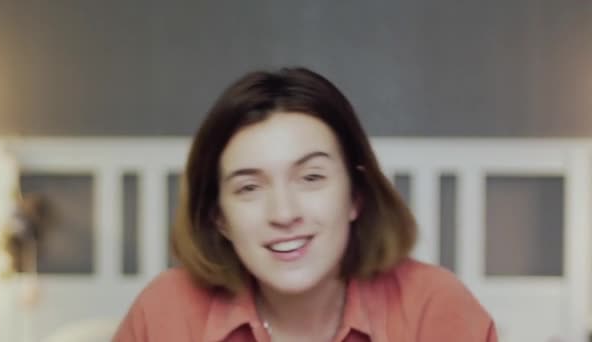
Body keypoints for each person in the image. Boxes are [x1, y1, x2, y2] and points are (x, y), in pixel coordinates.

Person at [113, 67, 497, 341]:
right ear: (219, 218)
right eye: (249, 188)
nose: (284, 213)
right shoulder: (165, 312)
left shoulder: (434, 306)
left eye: (311, 178)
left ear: (355, 195)